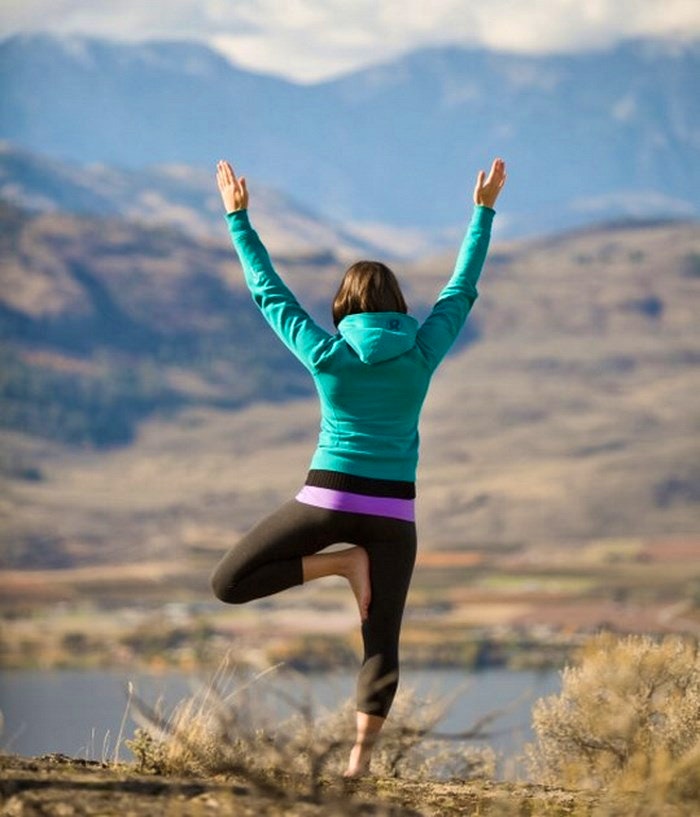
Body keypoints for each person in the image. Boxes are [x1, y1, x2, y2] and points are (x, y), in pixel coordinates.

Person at [211, 157, 507, 777]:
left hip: (329, 499)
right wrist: (483, 211)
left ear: (344, 307)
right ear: (398, 307)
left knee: (228, 584)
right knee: (382, 641)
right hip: (395, 513)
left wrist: (238, 219)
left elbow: (270, 292)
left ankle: (340, 564)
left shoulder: (327, 353)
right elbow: (461, 289)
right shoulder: (422, 351)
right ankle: (359, 765)